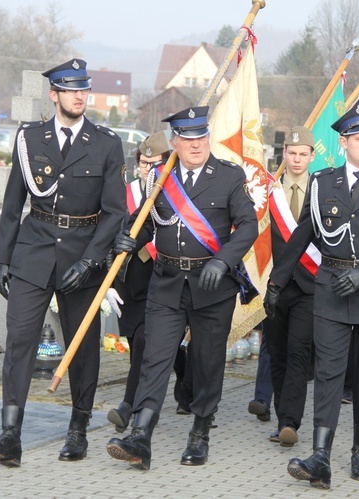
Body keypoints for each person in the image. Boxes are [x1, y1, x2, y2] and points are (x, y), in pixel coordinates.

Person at [0, 59, 126, 466]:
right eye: (71, 89)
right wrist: (2, 260)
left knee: (82, 348)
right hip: (34, 249)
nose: (80, 95)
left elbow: (115, 212)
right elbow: (13, 203)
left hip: (83, 254)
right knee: (20, 341)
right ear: (54, 94)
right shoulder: (30, 138)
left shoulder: (106, 143)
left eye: (84, 89)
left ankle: (78, 430)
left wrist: (93, 259)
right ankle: (11, 434)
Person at [264, 102, 359, 488]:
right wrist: (277, 281)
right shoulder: (321, 183)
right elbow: (303, 235)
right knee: (329, 373)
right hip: (331, 290)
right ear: (344, 142)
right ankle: (320, 454)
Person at [105, 106, 258, 470]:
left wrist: (223, 261)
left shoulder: (228, 176)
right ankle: (141, 434)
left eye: (201, 137)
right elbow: (146, 220)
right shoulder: (161, 177)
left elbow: (248, 226)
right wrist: (128, 238)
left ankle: (200, 432)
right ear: (174, 142)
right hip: (167, 283)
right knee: (155, 359)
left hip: (211, 285)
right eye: (188, 139)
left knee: (206, 363)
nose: (196, 145)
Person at [104, 132, 193, 431]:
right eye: (143, 163)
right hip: (130, 281)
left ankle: (129, 406)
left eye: (154, 163)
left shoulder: (176, 195)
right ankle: (183, 380)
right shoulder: (126, 194)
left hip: (160, 281)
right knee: (143, 346)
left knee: (145, 345)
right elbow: (111, 240)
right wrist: (110, 284)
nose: (147, 169)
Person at [263, 126, 317, 447]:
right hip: (274, 286)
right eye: (292, 153)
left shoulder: (322, 189)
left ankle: (289, 422)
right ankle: (281, 412)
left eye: (303, 154)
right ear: (284, 153)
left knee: (299, 352)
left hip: (309, 286)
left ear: (312, 156)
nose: (297, 159)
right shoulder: (269, 192)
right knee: (277, 353)